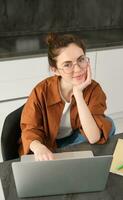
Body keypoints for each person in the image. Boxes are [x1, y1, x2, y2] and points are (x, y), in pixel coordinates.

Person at [18, 33, 115, 161]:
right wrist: (39, 148)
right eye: (67, 64)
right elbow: (30, 129)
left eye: (81, 60)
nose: (78, 69)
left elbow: (93, 137)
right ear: (55, 70)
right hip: (48, 144)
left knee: (109, 124)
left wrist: (78, 94)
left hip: (73, 140)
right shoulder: (41, 91)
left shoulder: (94, 89)